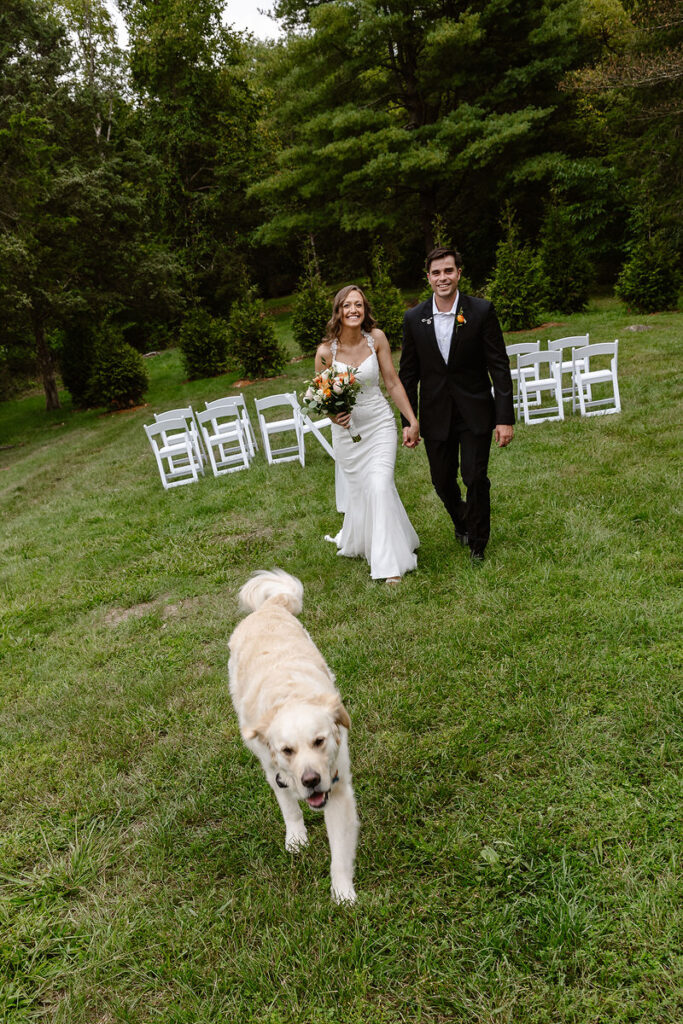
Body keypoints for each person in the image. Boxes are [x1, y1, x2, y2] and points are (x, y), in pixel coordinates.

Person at [399, 247, 514, 563]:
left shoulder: (481, 311)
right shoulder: (414, 319)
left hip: (475, 410)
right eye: (436, 273)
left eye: (448, 271)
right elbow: (407, 375)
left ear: (459, 273)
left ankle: (478, 542)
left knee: (474, 476)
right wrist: (408, 421)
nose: (442, 278)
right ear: (428, 278)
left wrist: (505, 417)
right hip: (435, 414)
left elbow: (499, 366)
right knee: (441, 480)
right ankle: (462, 519)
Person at [316, 285, 420, 584]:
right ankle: (374, 541)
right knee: (365, 492)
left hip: (379, 424)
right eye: (347, 305)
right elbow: (323, 397)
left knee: (379, 484)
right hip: (348, 435)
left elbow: (392, 381)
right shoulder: (325, 352)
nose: (353, 310)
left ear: (365, 309)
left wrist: (411, 419)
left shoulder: (376, 339)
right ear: (338, 311)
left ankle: (388, 566)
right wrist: (334, 415)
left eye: (358, 305)